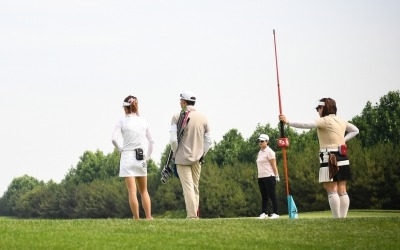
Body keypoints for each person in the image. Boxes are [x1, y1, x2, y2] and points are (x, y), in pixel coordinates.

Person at [279, 97, 359, 218]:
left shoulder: (324, 120)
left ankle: (337, 219)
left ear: (325, 108)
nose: (317, 111)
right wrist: (343, 140)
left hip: (328, 156)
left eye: (319, 108)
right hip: (342, 156)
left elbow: (307, 125)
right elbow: (355, 130)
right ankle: (343, 219)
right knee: (342, 190)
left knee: (332, 190)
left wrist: (288, 122)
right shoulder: (342, 120)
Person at [169, 91, 212, 219]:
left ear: (184, 102)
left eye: (180, 100)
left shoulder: (176, 117)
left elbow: (173, 140)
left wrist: (174, 153)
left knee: (188, 188)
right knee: (195, 187)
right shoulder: (204, 117)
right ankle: (195, 215)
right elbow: (209, 141)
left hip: (181, 158)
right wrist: (202, 154)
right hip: (197, 158)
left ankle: (192, 216)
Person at [112, 95, 155, 220]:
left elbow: (113, 139)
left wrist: (121, 149)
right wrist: (148, 157)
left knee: (132, 191)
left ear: (125, 108)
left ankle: (136, 218)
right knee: (144, 191)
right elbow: (152, 141)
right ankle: (148, 216)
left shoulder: (122, 121)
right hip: (140, 156)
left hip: (127, 156)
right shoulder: (143, 121)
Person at [256, 133, 280, 219]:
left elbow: (274, 165)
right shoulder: (260, 152)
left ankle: (276, 213)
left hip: (269, 176)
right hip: (261, 177)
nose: (260, 142)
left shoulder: (270, 152)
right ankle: (264, 212)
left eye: (262, 141)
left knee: (272, 195)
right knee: (264, 196)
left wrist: (276, 175)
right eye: (259, 141)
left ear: (267, 142)